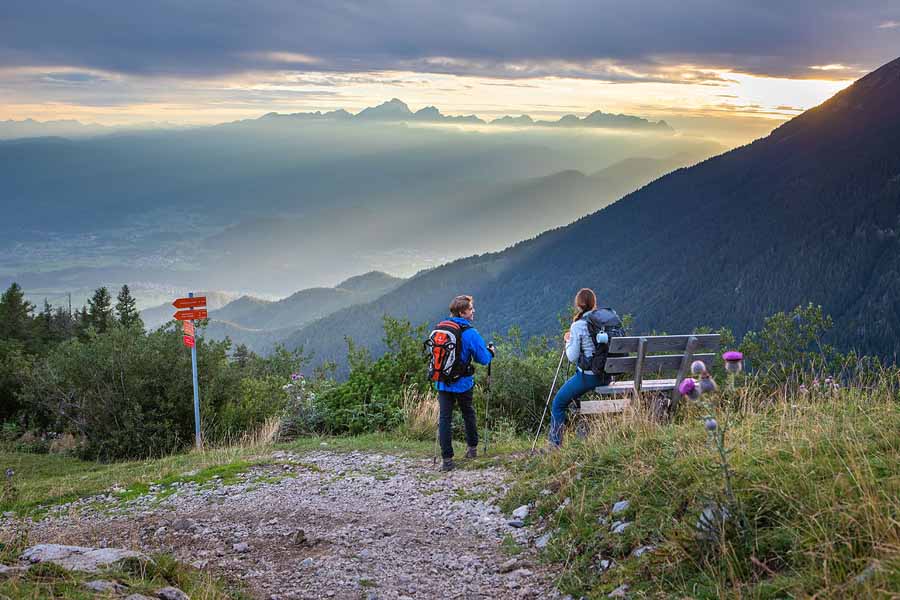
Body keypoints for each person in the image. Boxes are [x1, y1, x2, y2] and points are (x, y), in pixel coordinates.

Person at [433, 295, 494, 471]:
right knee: (468, 413)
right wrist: (491, 353)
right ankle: (472, 449)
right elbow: (483, 359)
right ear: (462, 312)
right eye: (470, 309)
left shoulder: (441, 328)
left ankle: (447, 460)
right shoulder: (470, 333)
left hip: (443, 382)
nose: (473, 311)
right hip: (463, 383)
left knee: (445, 418)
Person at [548, 288, 612, 448]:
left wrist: (568, 341)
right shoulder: (605, 320)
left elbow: (572, 356)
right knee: (571, 398)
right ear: (593, 304)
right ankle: (578, 435)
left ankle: (555, 446)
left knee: (558, 403)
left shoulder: (579, 325)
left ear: (578, 305)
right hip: (608, 376)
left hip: (590, 377)